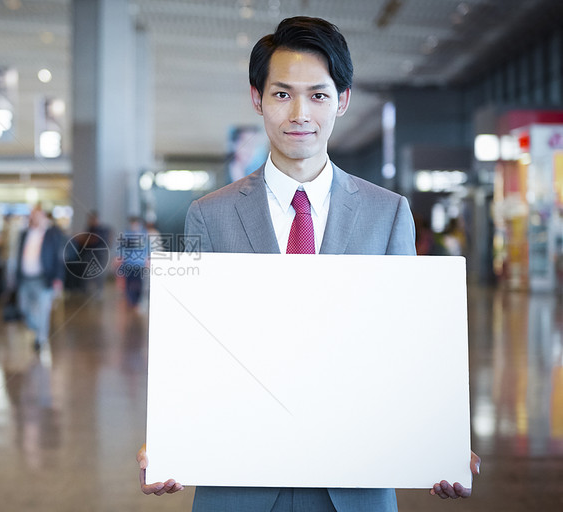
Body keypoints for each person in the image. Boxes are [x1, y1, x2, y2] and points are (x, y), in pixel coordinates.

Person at [137, 16, 481, 511]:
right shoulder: (209, 215)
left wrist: (437, 443)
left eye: (318, 95)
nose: (300, 113)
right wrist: (170, 437)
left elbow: (407, 345)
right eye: (282, 94)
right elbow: (195, 347)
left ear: (342, 99)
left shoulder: (388, 214)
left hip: (354, 483)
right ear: (257, 98)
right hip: (242, 482)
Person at [14, 206, 65, 352]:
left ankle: (40, 338)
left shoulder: (51, 234)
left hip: (44, 278)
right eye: (32, 216)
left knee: (43, 310)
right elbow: (18, 255)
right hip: (25, 278)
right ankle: (36, 328)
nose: (34, 219)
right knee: (24, 308)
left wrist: (58, 278)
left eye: (37, 216)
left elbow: (58, 257)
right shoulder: (25, 234)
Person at [118, 216, 148, 308]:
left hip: (139, 263)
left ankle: (137, 301)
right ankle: (130, 301)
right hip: (128, 263)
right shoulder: (126, 234)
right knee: (128, 283)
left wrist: (147, 259)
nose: (134, 226)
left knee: (138, 283)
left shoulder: (144, 234)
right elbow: (121, 248)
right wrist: (119, 258)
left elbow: (147, 249)